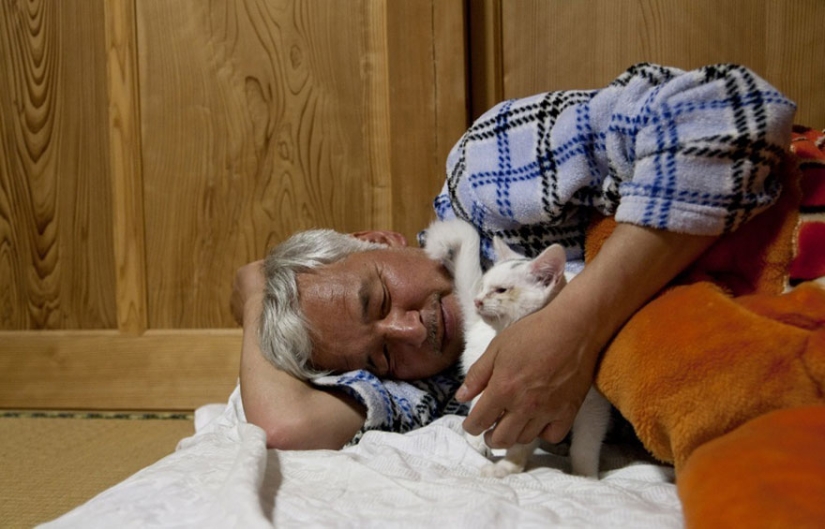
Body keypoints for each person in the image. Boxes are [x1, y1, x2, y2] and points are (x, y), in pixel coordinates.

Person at [231, 63, 796, 450]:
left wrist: (577, 325)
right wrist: (257, 289)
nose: (408, 332)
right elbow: (285, 428)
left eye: (377, 297)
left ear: (380, 241)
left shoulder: (486, 178)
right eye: (381, 358)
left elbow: (735, 107)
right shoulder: (443, 387)